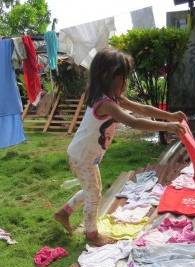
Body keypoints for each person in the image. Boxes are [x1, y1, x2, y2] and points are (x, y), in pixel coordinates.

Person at [54, 48, 186, 246]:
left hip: (86, 155)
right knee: (94, 194)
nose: (125, 82)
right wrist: (168, 126)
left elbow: (142, 109)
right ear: (107, 76)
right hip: (82, 156)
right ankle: (92, 235)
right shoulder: (104, 103)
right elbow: (134, 122)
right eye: (122, 77)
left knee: (93, 190)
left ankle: (64, 212)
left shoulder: (112, 98)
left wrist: (171, 115)